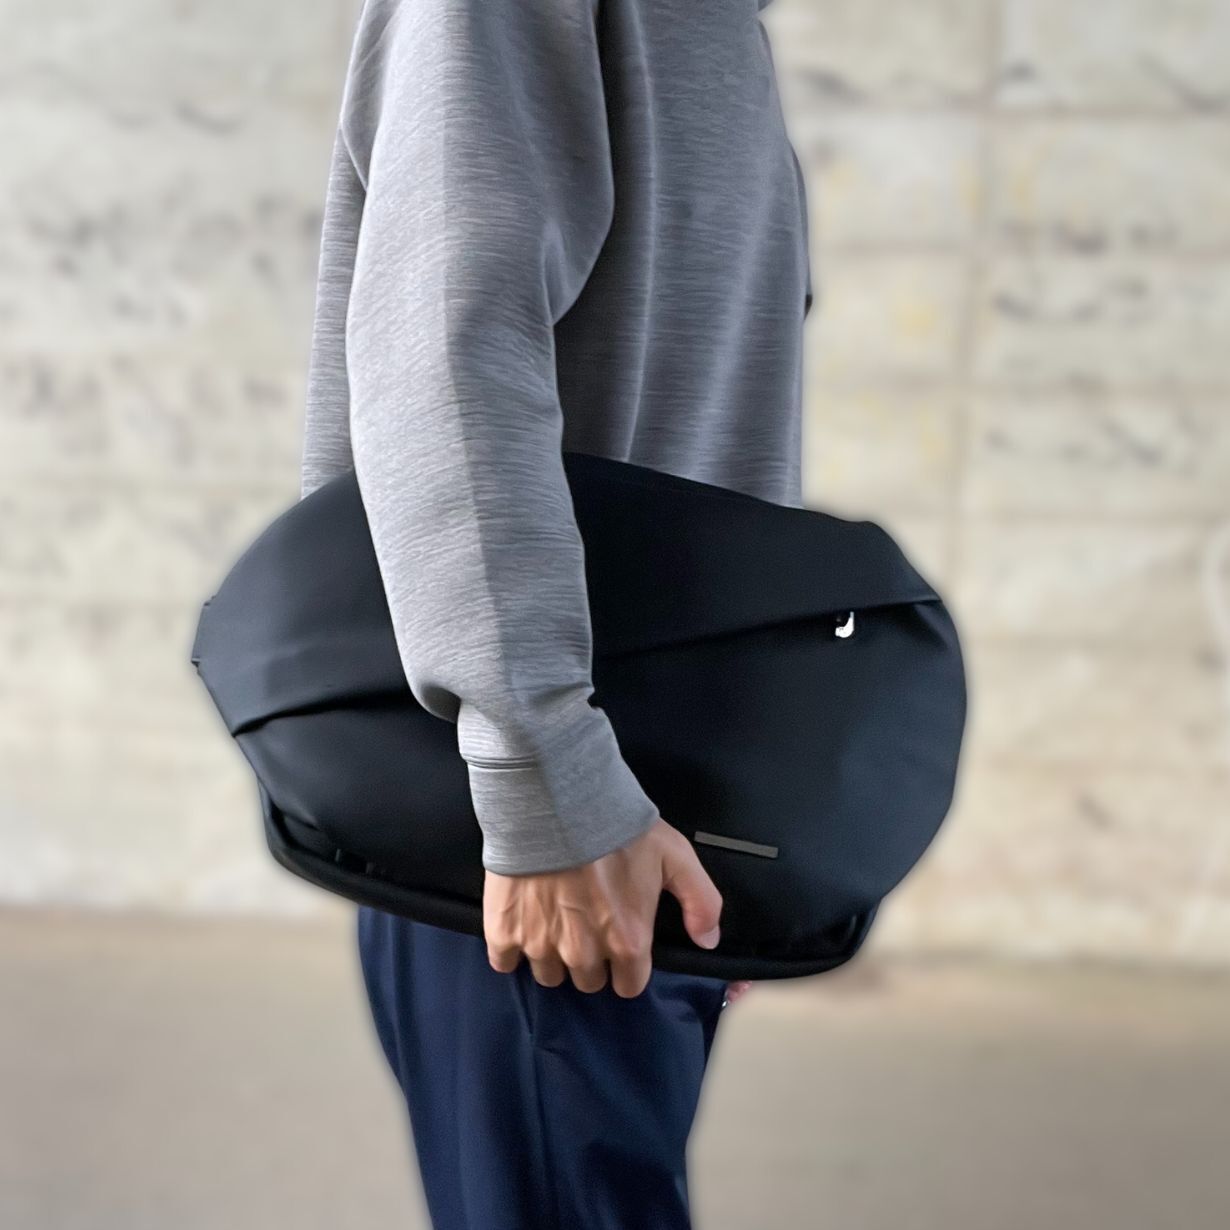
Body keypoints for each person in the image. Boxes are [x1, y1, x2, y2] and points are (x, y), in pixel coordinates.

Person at [299, 0, 812, 1224]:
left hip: (643, 806)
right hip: (542, 804)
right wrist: (549, 788)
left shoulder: (718, 23)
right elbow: (446, 357)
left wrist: (730, 817)